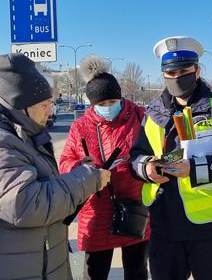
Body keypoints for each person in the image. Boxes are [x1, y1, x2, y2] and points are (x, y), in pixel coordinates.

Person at [0, 54, 110, 279]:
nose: (50, 111)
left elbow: (31, 180)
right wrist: (87, 179)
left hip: (7, 260)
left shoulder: (13, 131)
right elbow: (26, 204)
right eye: (45, 105)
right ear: (21, 105)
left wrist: (75, 173)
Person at [129, 36, 212, 280]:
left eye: (183, 70)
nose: (177, 77)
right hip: (164, 226)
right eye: (170, 72)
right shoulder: (153, 113)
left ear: (197, 70)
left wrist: (194, 168)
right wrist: (146, 168)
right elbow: (136, 155)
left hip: (210, 229)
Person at [59, 56, 150, 280]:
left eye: (112, 102)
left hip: (134, 206)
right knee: (94, 273)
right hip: (96, 210)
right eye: (101, 104)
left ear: (120, 97)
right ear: (92, 104)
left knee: (137, 270)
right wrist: (80, 166)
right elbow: (64, 162)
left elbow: (155, 148)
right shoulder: (80, 127)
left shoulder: (140, 117)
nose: (108, 108)